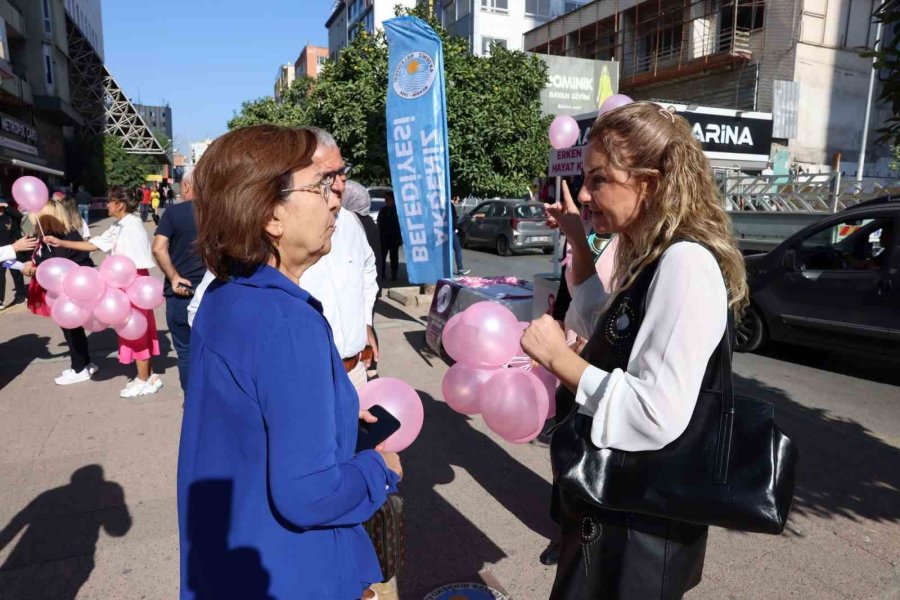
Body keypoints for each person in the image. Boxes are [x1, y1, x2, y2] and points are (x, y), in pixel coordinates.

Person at [521, 102, 749, 599]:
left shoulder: (685, 264)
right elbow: (607, 327)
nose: (584, 193)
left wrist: (559, 359)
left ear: (649, 182)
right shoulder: (651, 255)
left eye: (599, 179)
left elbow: (654, 413)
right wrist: (580, 244)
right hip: (616, 509)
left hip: (642, 528)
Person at [178, 124, 402, 600]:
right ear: (271, 216)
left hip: (234, 559)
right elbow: (310, 495)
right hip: (291, 571)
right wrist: (381, 470)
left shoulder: (225, 296)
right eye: (320, 186)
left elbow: (249, 418)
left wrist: (338, 413)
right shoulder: (286, 320)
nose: (336, 200)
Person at [44, 186, 163, 398]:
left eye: (110, 201)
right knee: (136, 330)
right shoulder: (121, 224)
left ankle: (144, 380)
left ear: (120, 205)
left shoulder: (131, 228)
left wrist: (120, 285)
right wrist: (60, 241)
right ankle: (149, 375)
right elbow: (94, 244)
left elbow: (130, 263)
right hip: (127, 281)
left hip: (131, 281)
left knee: (135, 330)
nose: (106, 204)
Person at [21, 199, 98, 385]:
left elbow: (57, 267)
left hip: (69, 290)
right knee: (72, 329)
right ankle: (85, 364)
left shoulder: (59, 237)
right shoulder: (55, 235)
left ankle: (79, 368)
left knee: (72, 329)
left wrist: (33, 270)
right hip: (67, 289)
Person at [152, 169, 203, 393]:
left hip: (183, 293)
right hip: (214, 293)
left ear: (186, 187)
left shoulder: (174, 213)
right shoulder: (220, 212)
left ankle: (192, 402)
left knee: (186, 351)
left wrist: (174, 277)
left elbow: (158, 248)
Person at [342, 179, 382, 380]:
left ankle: (369, 361)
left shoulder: (352, 222)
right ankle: (371, 363)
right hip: (372, 284)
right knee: (369, 322)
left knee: (364, 324)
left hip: (360, 287)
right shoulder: (369, 222)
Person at [0, 200, 28, 308]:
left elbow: (19, 215)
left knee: (16, 274)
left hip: (12, 251)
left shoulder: (10, 216)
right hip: (1, 253)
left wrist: (6, 205)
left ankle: (20, 295)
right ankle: (0, 300)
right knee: (0, 276)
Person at [377, 191, 402, 281]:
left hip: (394, 238)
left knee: (394, 257)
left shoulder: (397, 211)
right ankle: (381, 273)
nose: (386, 201)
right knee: (381, 256)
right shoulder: (383, 210)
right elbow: (379, 223)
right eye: (385, 199)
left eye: (388, 199)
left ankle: (394, 274)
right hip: (383, 238)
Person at [450, 196, 470, 276]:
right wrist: (455, 228)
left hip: (444, 230)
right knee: (457, 249)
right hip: (451, 231)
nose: (458, 200)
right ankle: (460, 269)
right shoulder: (449, 205)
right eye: (457, 198)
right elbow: (453, 219)